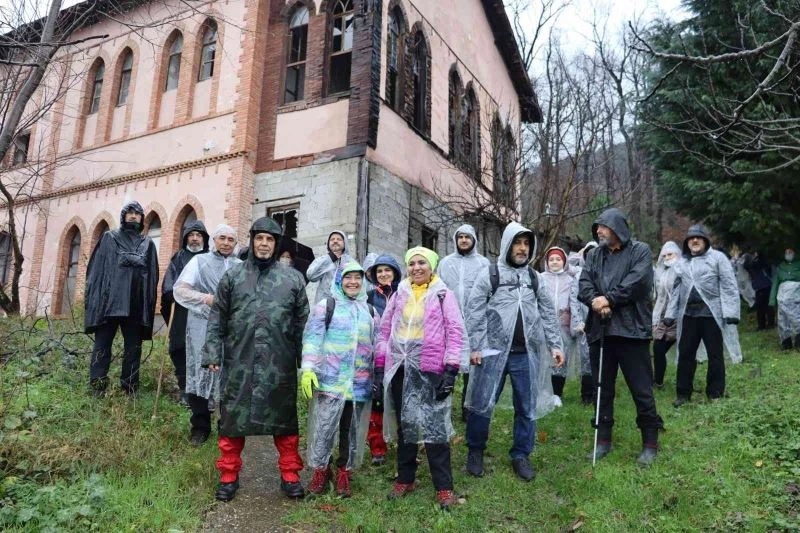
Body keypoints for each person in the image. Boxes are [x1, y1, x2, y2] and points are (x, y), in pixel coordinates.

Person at [202, 217, 309, 502]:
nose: (264, 244)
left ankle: (289, 474)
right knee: (232, 420)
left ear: (276, 244)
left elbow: (303, 325)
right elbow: (217, 318)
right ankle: (228, 475)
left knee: (284, 421)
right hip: (240, 360)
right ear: (252, 241)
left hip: (280, 362)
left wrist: (308, 362)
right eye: (259, 238)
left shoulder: (293, 279)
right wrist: (212, 351)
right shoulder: (232, 277)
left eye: (270, 239)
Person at [464, 222, 564, 481]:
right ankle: (475, 451)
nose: (522, 248)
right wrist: (476, 346)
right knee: (482, 403)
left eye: (526, 244)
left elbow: (548, 313)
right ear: (507, 244)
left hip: (525, 354)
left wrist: (555, 344)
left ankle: (521, 454)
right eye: (517, 243)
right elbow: (474, 311)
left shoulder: (534, 278)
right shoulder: (491, 274)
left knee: (526, 406)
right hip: (492, 352)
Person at [374, 246, 467, 510]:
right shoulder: (399, 294)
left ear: (432, 267)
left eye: (422, 263)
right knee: (407, 425)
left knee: (435, 427)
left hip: (431, 369)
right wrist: (381, 367)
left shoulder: (442, 294)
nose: (416, 268)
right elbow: (384, 331)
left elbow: (456, 332)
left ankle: (444, 487)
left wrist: (450, 370)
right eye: (412, 263)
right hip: (401, 368)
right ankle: (406, 478)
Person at [578, 208, 663, 467]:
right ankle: (603, 440)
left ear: (617, 227)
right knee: (602, 389)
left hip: (631, 332)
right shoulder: (594, 255)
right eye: (597, 228)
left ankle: (650, 442)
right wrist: (595, 300)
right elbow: (583, 284)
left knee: (641, 389)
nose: (598, 232)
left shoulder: (640, 251)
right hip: (601, 332)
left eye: (602, 227)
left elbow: (638, 282)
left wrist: (610, 299)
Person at [300, 260, 377, 498]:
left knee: (350, 431)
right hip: (330, 382)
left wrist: (379, 375)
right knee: (324, 429)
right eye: (348, 277)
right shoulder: (327, 305)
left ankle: (344, 471)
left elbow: (377, 345)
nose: (353, 282)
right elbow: (313, 337)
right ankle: (321, 470)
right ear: (339, 281)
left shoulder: (370, 311)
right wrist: (308, 368)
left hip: (358, 385)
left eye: (357, 278)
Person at [173, 225, 241, 446]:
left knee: (229, 374)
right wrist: (205, 298)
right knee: (200, 370)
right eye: (222, 238)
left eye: (231, 239)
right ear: (213, 240)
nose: (226, 243)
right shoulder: (199, 262)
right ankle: (200, 426)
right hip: (202, 324)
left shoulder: (241, 267)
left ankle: (227, 426)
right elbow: (180, 290)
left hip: (231, 329)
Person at [84, 201, 159, 397]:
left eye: (138, 213)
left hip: (134, 304)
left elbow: (151, 277)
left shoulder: (147, 244)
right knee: (102, 346)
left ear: (142, 218)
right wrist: (96, 303)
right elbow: (97, 272)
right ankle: (97, 387)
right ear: (124, 216)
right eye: (130, 213)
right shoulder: (109, 238)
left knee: (133, 349)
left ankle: (130, 389)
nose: (134, 216)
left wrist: (147, 306)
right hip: (110, 303)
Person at [665, 224, 742, 408]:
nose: (695, 240)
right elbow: (675, 290)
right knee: (685, 355)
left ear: (705, 241)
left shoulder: (717, 259)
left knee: (715, 355)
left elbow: (729, 285)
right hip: (689, 315)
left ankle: (715, 393)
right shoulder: (682, 263)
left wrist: (731, 312)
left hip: (711, 316)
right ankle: (683, 394)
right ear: (687, 243)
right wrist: (670, 313)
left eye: (699, 238)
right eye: (691, 238)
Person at [437, 224, 491, 421]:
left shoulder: (483, 263)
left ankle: (469, 410)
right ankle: (443, 408)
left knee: (473, 368)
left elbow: (488, 292)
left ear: (474, 239)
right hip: (449, 322)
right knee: (448, 366)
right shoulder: (445, 263)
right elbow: (439, 290)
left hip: (475, 321)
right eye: (460, 237)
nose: (464, 240)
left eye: (468, 237)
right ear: (455, 240)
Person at [161, 220, 210, 403]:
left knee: (203, 349)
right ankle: (184, 389)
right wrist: (171, 294)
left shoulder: (210, 258)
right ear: (186, 238)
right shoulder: (178, 257)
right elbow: (169, 283)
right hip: (181, 310)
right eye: (191, 235)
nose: (195, 239)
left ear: (204, 238)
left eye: (198, 235)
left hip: (204, 311)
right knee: (179, 347)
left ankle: (205, 392)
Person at [364, 254, 403, 465]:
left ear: (395, 272)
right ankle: (377, 448)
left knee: (401, 401)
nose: (383, 274)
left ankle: (404, 445)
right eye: (379, 271)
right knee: (376, 402)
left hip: (400, 356)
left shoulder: (404, 293)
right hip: (375, 356)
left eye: (387, 270)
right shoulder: (369, 297)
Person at [540, 246, 582, 406]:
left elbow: (574, 303)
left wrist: (576, 325)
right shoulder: (541, 278)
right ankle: (544, 391)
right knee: (544, 360)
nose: (555, 262)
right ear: (547, 262)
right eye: (551, 259)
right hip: (545, 325)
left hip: (564, 325)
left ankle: (557, 394)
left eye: (558, 259)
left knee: (560, 361)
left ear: (564, 261)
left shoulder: (571, 280)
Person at [651, 241, 681, 389]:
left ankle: (685, 382)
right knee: (657, 348)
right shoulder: (662, 272)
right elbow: (660, 297)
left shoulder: (682, 270)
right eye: (665, 255)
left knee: (686, 350)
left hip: (679, 317)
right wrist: (655, 318)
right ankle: (658, 381)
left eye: (670, 254)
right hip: (664, 317)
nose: (667, 257)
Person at [307, 230, 351, 304]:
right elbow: (311, 276)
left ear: (344, 243)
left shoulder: (350, 263)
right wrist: (330, 258)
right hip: (324, 307)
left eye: (339, 239)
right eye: (332, 239)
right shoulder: (322, 259)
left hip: (344, 307)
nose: (335, 241)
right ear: (328, 243)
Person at [770, 247, 800, 349]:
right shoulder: (781, 267)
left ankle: (798, 342)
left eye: (790, 252)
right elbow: (775, 283)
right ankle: (786, 343)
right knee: (783, 320)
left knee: (797, 319)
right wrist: (772, 300)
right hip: (782, 297)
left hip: (796, 297)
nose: (788, 254)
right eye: (786, 252)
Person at [744, 251, 775, 330]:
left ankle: (769, 324)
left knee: (767, 307)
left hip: (765, 285)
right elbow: (746, 266)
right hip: (759, 287)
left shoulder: (761, 261)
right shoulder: (754, 262)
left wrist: (754, 258)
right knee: (761, 308)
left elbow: (756, 265)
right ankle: (762, 325)